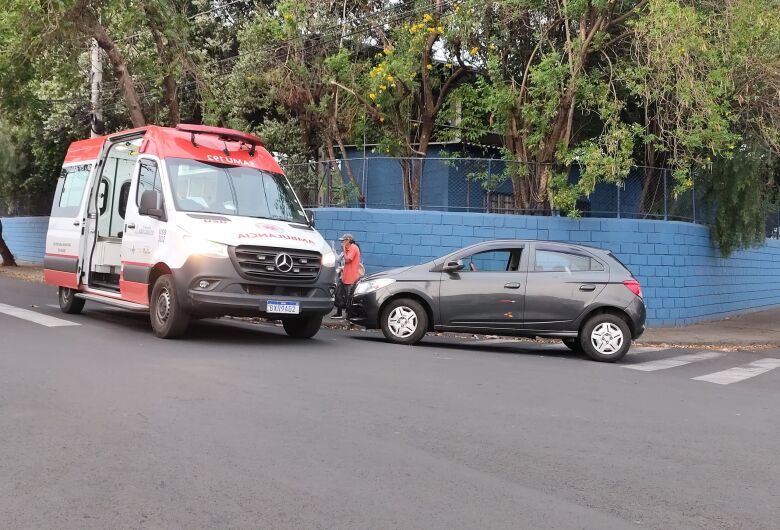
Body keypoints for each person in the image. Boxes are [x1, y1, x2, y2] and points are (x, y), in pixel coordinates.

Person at [332, 233, 362, 319]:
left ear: (348, 240)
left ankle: (349, 316)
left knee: (350, 298)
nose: (342, 242)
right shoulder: (348, 249)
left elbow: (348, 260)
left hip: (351, 279)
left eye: (343, 241)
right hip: (344, 277)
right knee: (338, 295)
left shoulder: (353, 247)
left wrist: (344, 250)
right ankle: (339, 313)